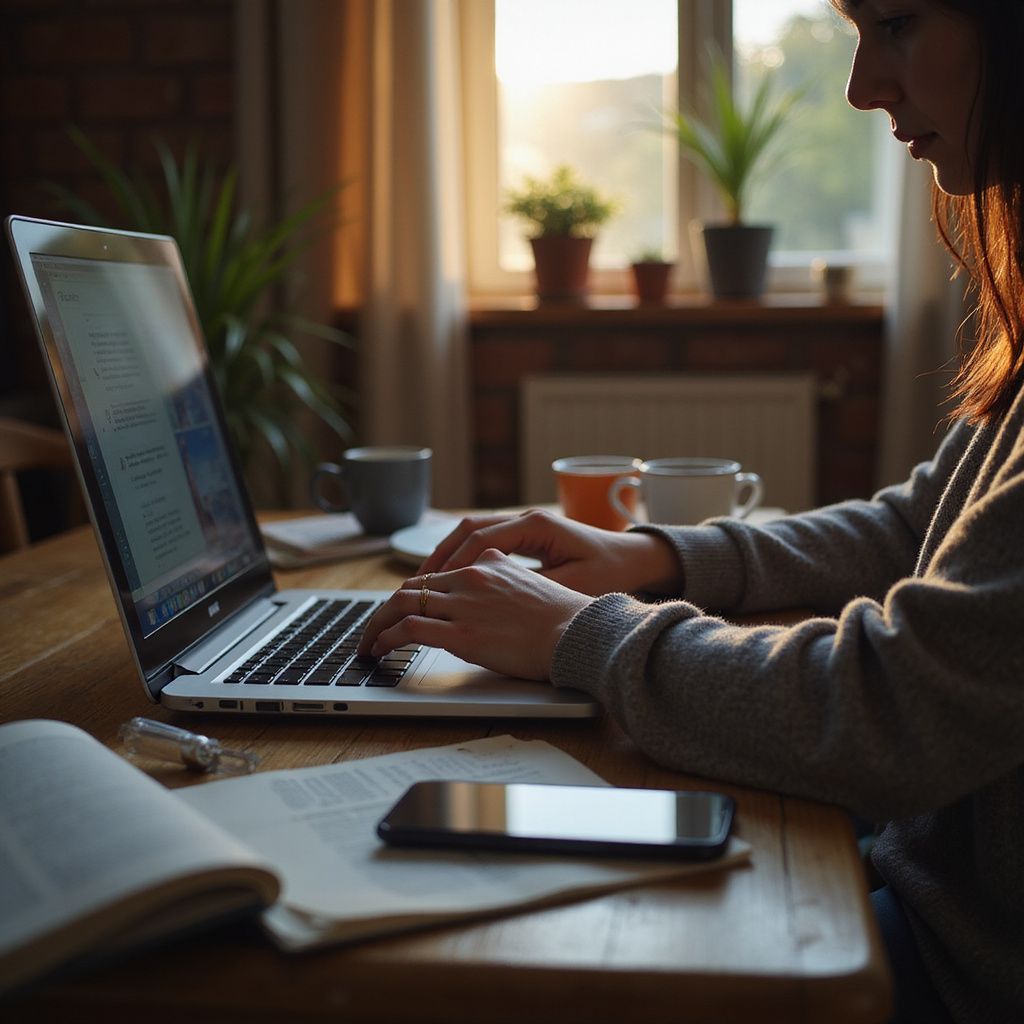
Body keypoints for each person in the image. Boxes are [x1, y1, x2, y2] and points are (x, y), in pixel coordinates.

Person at [359, 3, 1024, 1021]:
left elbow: (890, 708)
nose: (861, 87)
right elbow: (913, 530)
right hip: (921, 882)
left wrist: (580, 632)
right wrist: (651, 557)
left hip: (960, 965)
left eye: (896, 23)